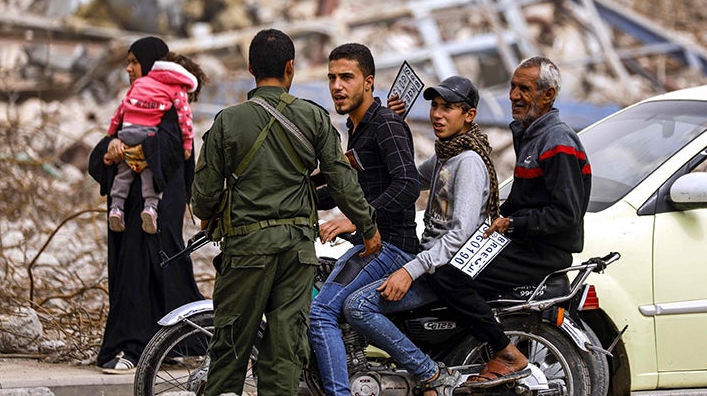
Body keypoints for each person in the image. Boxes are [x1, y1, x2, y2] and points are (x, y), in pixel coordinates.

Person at [190, 28, 383, 396]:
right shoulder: (313, 117)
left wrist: (211, 212)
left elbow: (203, 197)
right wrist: (368, 227)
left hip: (245, 252)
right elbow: (342, 180)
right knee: (285, 352)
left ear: (250, 68)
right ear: (290, 67)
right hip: (296, 253)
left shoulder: (227, 122)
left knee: (230, 349)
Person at [426, 56, 591, 388]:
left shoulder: (558, 142)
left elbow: (566, 214)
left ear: (548, 95)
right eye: (513, 87)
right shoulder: (530, 132)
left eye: (524, 89)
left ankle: (505, 353)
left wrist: (512, 225)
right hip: (522, 240)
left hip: (541, 250)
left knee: (447, 276)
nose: (514, 95)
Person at [344, 75, 500, 396]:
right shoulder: (446, 154)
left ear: (469, 115)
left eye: (448, 108)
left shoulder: (469, 162)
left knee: (357, 306)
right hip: (429, 261)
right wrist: (394, 127)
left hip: (443, 271)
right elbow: (409, 180)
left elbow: (459, 235)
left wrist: (409, 270)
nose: (437, 115)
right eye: (435, 106)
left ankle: (431, 375)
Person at [87, 36, 206, 373]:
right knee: (132, 273)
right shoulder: (133, 103)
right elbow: (105, 148)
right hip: (128, 212)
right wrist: (111, 149)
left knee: (155, 272)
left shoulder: (170, 105)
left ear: (152, 64)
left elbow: (176, 150)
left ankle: (141, 347)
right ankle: (145, 344)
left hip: (157, 210)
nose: (128, 69)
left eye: (134, 62)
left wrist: (133, 148)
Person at [309, 43, 421, 396]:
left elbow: (408, 184)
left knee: (320, 313)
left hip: (392, 247)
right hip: (372, 244)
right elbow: (347, 187)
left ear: (368, 82)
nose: (337, 86)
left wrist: (359, 221)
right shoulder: (357, 126)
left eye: (347, 77)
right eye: (331, 78)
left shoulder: (386, 124)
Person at [106, 52, 202, 234]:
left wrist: (112, 135)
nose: (128, 68)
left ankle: (116, 208)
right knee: (151, 173)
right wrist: (187, 145)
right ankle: (150, 207)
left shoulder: (140, 86)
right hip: (146, 138)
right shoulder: (175, 96)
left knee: (123, 174)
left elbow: (121, 109)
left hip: (127, 134)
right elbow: (185, 120)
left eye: (135, 62)